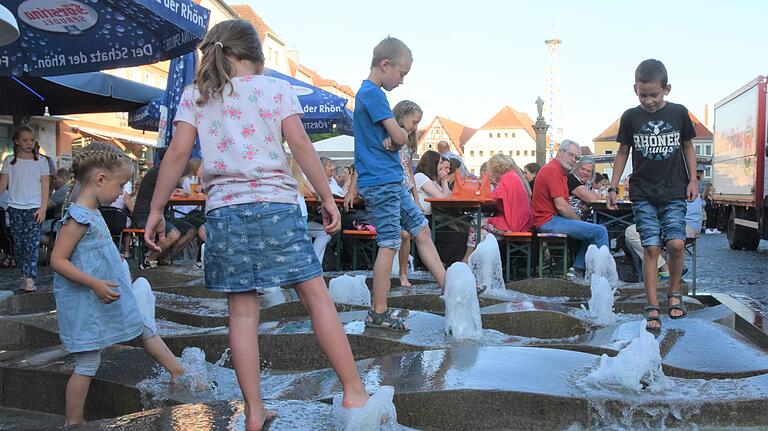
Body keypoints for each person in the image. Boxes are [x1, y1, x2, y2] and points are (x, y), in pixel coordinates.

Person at [143, 20, 373, 431]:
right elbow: (301, 145)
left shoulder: (195, 95)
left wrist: (156, 210)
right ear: (258, 58)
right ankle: (354, 391)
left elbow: (177, 154)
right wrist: (326, 197)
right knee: (317, 300)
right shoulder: (276, 89)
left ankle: (253, 410)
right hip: (277, 207)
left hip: (224, 212)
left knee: (242, 314)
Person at [50, 149, 184, 427]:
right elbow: (58, 260)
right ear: (100, 179)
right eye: (121, 186)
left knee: (142, 326)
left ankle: (178, 371)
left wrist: (112, 258)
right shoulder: (78, 217)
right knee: (87, 362)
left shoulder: (93, 212)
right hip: (89, 300)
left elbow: (89, 252)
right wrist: (94, 282)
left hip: (108, 293)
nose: (122, 193)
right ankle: (73, 421)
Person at [347, 36, 446, 331]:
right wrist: (396, 137)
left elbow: (390, 138)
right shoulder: (373, 94)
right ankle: (378, 311)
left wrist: (392, 138)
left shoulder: (369, 94)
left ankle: (448, 288)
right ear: (385, 65)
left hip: (389, 180)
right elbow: (401, 136)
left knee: (421, 229)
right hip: (383, 183)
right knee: (389, 243)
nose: (402, 81)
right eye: (401, 74)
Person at [608, 59, 698, 330]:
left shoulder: (679, 113)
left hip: (674, 190)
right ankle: (652, 305)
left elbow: (688, 146)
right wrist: (613, 187)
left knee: (676, 245)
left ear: (666, 89)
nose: (648, 101)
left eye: (654, 94)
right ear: (634, 89)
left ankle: (673, 292)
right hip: (643, 192)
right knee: (650, 246)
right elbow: (623, 152)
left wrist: (693, 180)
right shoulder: (630, 117)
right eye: (642, 94)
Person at [532, 140, 608, 278]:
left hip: (548, 219)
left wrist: (581, 225)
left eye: (576, 157)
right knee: (600, 231)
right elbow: (561, 206)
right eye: (571, 155)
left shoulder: (558, 170)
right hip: (547, 221)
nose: (573, 160)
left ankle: (577, 270)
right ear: (560, 152)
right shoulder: (553, 170)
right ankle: (604, 276)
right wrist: (579, 222)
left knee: (591, 230)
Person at [0, 125, 50, 292]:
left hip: (34, 208)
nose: (29, 143)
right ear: (16, 141)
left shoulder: (41, 161)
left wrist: (43, 207)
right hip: (14, 208)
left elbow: (45, 185)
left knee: (32, 243)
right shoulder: (9, 161)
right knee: (19, 244)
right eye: (25, 140)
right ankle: (23, 274)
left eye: (32, 140)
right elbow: (3, 184)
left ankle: (29, 277)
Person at [132, 148, 197, 268]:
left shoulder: (169, 174)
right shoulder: (156, 173)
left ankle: (163, 258)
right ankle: (149, 259)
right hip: (144, 215)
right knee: (174, 234)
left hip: (162, 216)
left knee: (191, 230)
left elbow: (180, 192)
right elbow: (171, 192)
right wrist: (178, 192)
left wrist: (179, 192)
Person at [462, 154, 532, 261]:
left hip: (513, 225)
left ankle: (467, 258)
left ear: (496, 168)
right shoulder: (514, 176)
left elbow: (493, 199)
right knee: (482, 233)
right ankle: (476, 261)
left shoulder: (506, 178)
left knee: (475, 223)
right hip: (522, 223)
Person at [625, 195, 701, 281]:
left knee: (631, 232)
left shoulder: (673, 183)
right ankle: (647, 274)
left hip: (682, 223)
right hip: (687, 223)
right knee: (633, 236)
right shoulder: (689, 182)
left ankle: (665, 268)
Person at [393, 99, 423, 287]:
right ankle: (393, 272)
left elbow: (409, 171)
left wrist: (416, 198)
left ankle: (403, 273)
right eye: (414, 122)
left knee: (408, 234)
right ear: (401, 117)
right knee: (401, 235)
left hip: (405, 189)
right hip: (391, 189)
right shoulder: (389, 137)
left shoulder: (409, 144)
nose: (416, 127)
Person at [567, 156, 598, 221]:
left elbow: (597, 199)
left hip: (583, 220)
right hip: (570, 219)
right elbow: (594, 200)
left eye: (588, 171)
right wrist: (588, 203)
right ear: (577, 168)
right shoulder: (571, 178)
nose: (585, 173)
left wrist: (587, 204)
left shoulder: (587, 183)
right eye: (583, 169)